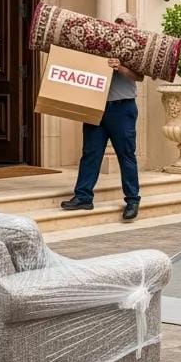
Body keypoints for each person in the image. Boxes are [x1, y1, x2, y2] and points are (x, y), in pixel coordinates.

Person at [61, 12, 144, 222]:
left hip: (122, 109)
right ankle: (83, 197)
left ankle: (132, 200)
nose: (120, 26)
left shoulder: (136, 49)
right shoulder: (99, 44)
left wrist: (121, 67)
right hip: (95, 106)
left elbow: (139, 76)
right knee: (90, 153)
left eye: (125, 24)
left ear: (133, 27)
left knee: (126, 155)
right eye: (117, 23)